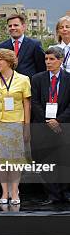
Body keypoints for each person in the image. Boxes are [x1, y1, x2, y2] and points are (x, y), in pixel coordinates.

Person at [0, 48, 31, 205]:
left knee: (15, 160)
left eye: (1, 59)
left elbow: (27, 105)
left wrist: (26, 127)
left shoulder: (23, 79)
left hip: (15, 124)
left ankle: (14, 192)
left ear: (10, 62)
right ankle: (4, 192)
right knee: (0, 161)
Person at [31, 47, 70, 204]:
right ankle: (52, 194)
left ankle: (66, 193)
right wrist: (48, 120)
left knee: (65, 160)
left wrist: (58, 120)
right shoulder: (37, 78)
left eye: (52, 59)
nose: (48, 62)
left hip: (64, 126)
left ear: (60, 60)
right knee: (45, 161)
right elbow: (34, 102)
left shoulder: (69, 78)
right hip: (42, 126)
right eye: (46, 59)